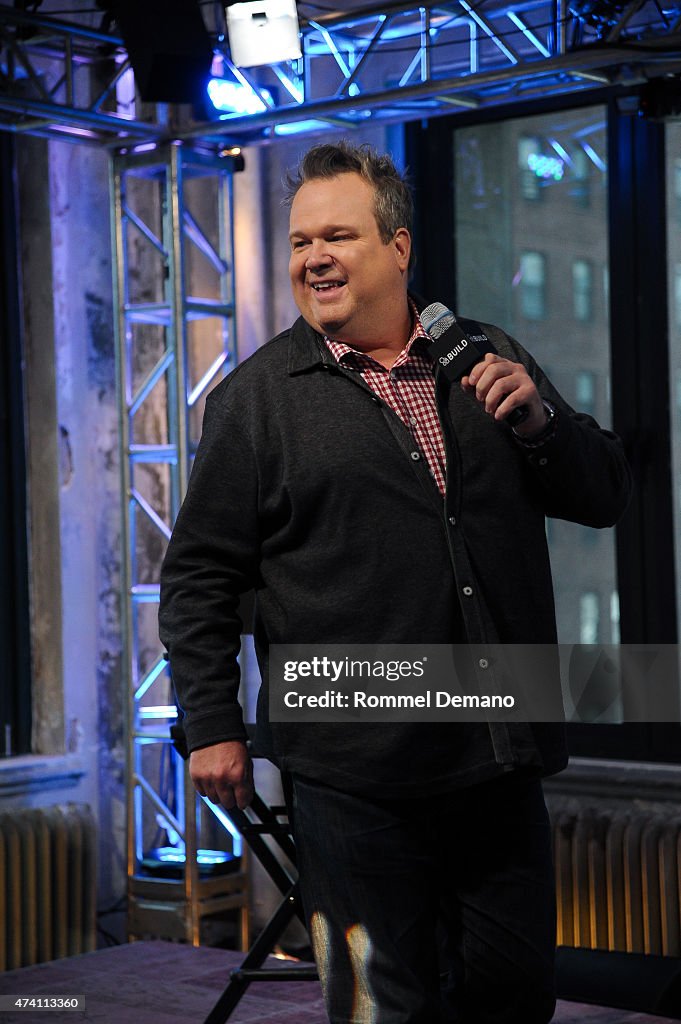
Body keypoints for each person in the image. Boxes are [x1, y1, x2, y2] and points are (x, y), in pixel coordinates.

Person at [159, 141, 632, 1024]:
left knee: (510, 995)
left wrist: (537, 425)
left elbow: (602, 493)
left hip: (496, 755)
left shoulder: (485, 357)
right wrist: (214, 727)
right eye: (300, 243)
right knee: (382, 1007)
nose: (313, 258)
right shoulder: (257, 401)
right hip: (352, 773)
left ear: (399, 248)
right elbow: (197, 576)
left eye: (336, 235)